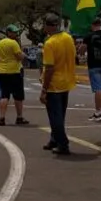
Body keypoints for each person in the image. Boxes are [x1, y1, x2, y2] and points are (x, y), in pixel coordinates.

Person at [39, 14, 76, 155]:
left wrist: (43, 89)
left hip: (54, 84)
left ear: (48, 26)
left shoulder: (49, 43)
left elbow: (49, 68)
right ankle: (54, 139)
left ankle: (63, 144)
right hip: (66, 81)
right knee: (60, 115)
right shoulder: (68, 38)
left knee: (55, 117)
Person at [0, 24, 30, 127]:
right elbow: (19, 57)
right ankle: (19, 117)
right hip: (14, 71)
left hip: (2, 72)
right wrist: (23, 55)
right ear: (9, 32)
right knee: (18, 96)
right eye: (14, 32)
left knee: (4, 95)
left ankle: (2, 117)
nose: (16, 34)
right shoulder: (14, 43)